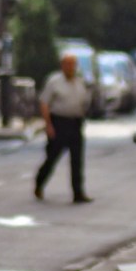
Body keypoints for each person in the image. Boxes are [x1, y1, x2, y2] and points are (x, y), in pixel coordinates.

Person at [34, 52, 93, 203]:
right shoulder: (54, 81)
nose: (70, 68)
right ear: (62, 66)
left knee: (77, 160)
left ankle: (78, 192)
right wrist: (48, 125)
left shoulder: (79, 81)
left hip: (75, 123)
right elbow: (44, 103)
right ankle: (39, 182)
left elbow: (84, 101)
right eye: (68, 64)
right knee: (52, 157)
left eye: (73, 64)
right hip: (59, 123)